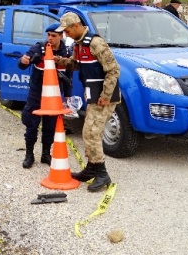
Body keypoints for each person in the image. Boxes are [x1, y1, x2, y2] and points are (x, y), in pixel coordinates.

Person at [53, 12, 120, 192]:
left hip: (103, 96)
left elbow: (113, 70)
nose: (65, 35)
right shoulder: (79, 44)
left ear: (76, 25)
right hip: (93, 94)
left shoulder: (96, 43)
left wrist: (106, 96)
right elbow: (76, 64)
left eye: (66, 31)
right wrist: (58, 61)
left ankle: (102, 174)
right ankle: (92, 168)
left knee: (92, 133)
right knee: (88, 132)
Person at [18, 23, 73, 169]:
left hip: (54, 95)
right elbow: (23, 63)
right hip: (37, 93)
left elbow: (69, 74)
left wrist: (67, 96)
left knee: (50, 126)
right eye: (48, 35)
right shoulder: (39, 48)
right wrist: (23, 61)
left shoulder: (66, 52)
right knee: (31, 124)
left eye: (53, 36)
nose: (50, 38)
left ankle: (46, 154)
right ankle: (29, 155)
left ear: (61, 36)